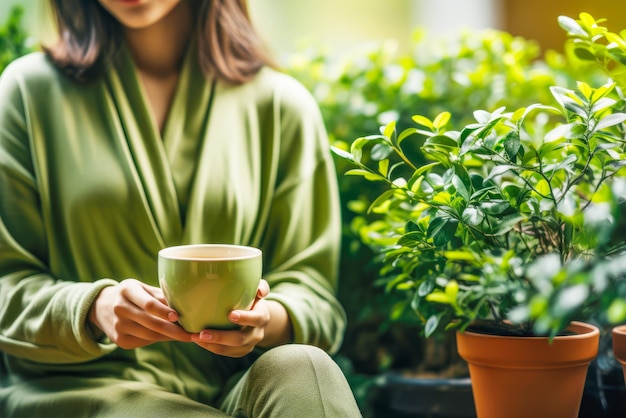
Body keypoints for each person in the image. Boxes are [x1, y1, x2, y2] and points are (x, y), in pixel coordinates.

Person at [0, 0, 362, 416]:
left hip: (232, 388)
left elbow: (314, 297)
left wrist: (264, 320)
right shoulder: (28, 93)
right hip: (83, 392)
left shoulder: (283, 107)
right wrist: (92, 309)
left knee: (304, 369)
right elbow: (6, 284)